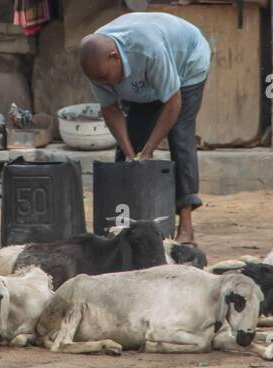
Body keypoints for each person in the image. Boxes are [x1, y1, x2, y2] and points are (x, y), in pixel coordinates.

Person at [78, 12, 210, 244]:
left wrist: (149, 150)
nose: (104, 85)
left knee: (180, 135)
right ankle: (123, 225)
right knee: (129, 145)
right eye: (99, 81)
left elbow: (173, 101)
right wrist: (131, 153)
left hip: (186, 64)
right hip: (140, 83)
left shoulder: (149, 50)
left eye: (106, 78)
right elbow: (110, 109)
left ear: (114, 57)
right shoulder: (97, 67)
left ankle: (186, 226)